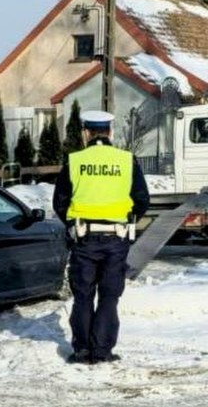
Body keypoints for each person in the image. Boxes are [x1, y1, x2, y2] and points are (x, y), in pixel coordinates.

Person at [52, 109, 150, 365]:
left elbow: (60, 201)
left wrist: (73, 223)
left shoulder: (74, 161)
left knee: (83, 295)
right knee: (109, 295)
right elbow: (142, 200)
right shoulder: (127, 160)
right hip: (116, 240)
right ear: (110, 133)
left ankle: (82, 351)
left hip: (84, 239)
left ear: (86, 133)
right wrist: (127, 219)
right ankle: (102, 351)